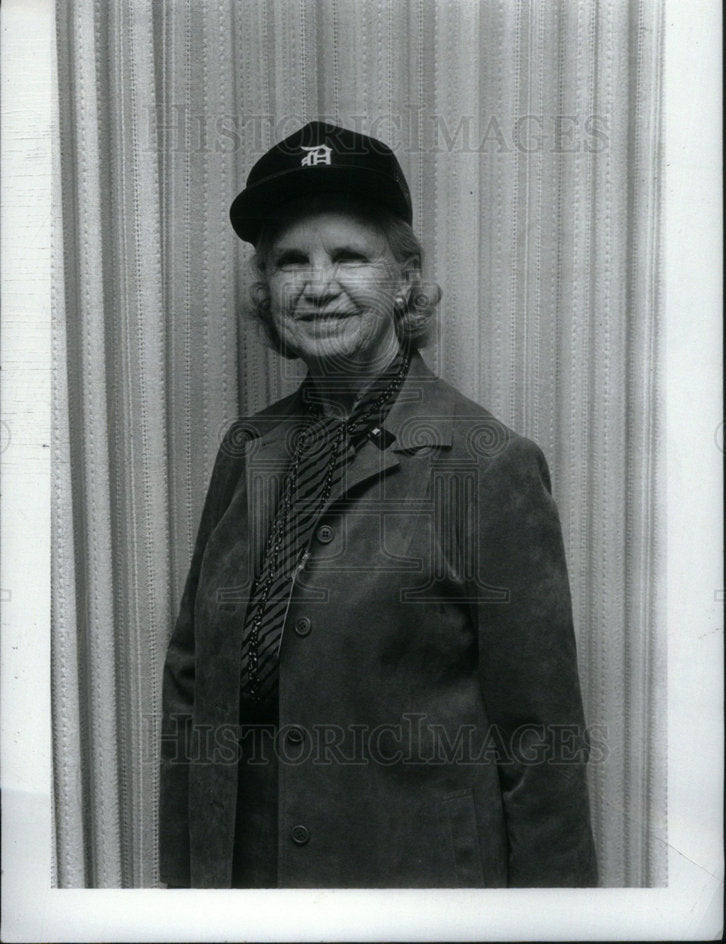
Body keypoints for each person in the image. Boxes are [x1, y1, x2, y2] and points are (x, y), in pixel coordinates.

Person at [159, 120, 598, 889]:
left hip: (414, 887)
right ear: (267, 291)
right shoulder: (248, 449)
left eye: (349, 257)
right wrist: (185, 884)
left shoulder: (487, 464)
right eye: (291, 261)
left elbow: (540, 738)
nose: (318, 285)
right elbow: (193, 682)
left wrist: (556, 923)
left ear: (404, 280)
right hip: (248, 882)